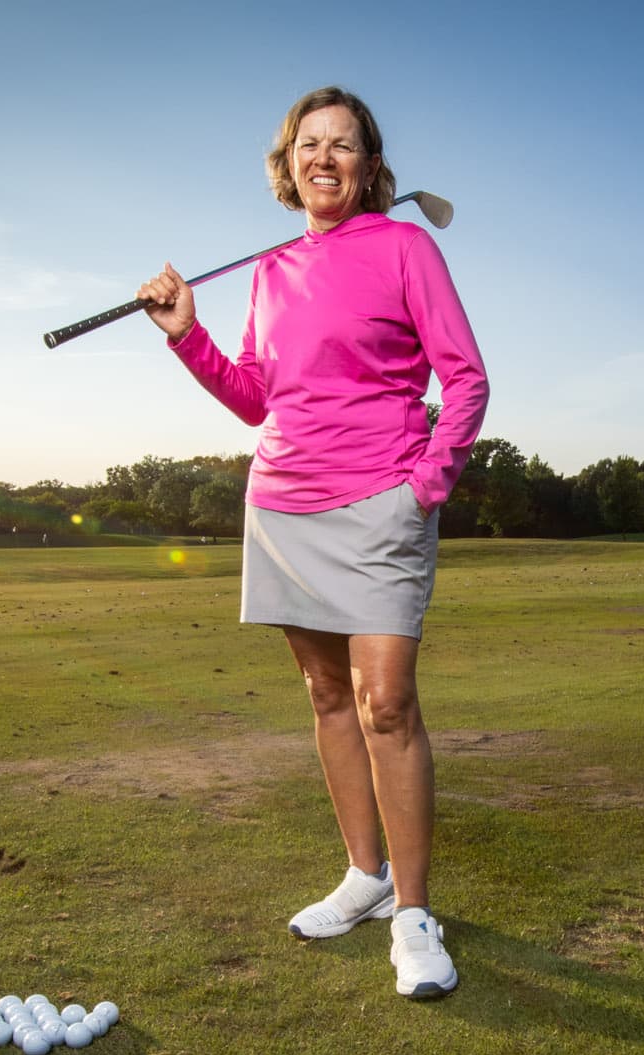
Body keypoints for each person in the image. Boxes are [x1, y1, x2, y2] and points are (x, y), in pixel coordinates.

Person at [139, 86, 488, 1001]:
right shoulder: (271, 269)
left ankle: (412, 914)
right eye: (308, 144)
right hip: (284, 504)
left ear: (370, 167)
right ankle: (364, 876)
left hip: (381, 500)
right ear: (287, 164)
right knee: (327, 696)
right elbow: (258, 397)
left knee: (386, 705)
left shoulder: (406, 246)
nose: (323, 158)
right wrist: (187, 339)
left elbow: (465, 378)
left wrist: (425, 487)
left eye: (342, 145)